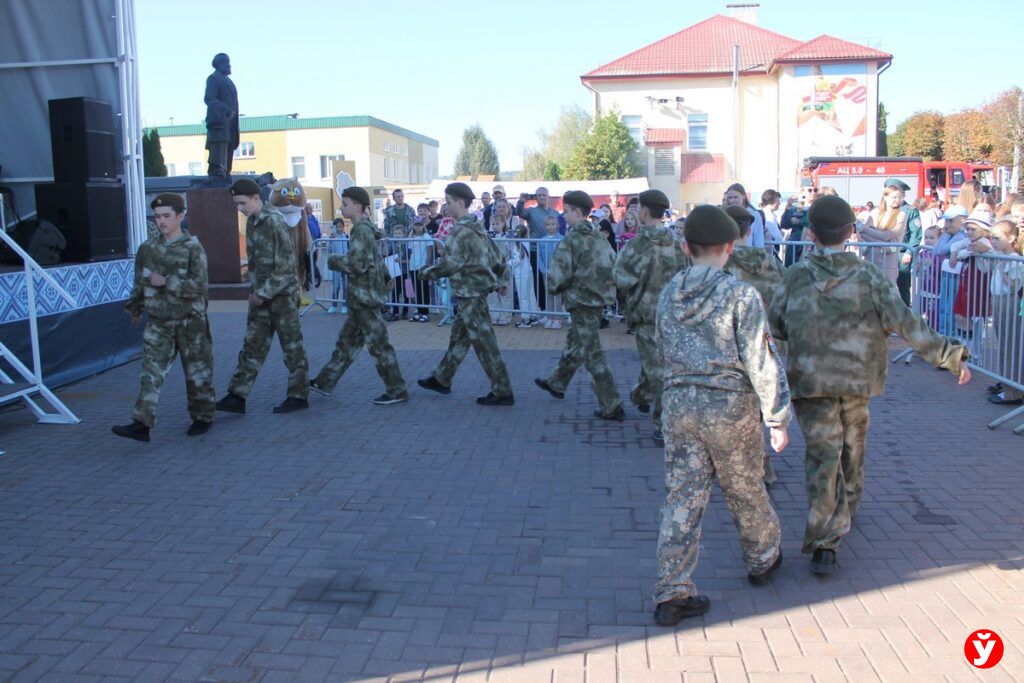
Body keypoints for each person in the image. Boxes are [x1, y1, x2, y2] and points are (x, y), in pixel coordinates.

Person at [769, 195, 971, 577]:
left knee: (822, 456)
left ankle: (826, 535)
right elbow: (905, 322)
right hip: (858, 380)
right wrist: (949, 355)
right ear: (850, 231)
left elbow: (776, 323)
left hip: (811, 380)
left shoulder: (794, 276)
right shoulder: (870, 277)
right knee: (851, 450)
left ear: (810, 234)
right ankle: (841, 516)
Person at [652, 204, 790, 626]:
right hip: (728, 407)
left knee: (682, 497)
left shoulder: (669, 293)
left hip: (679, 405)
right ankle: (763, 557)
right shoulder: (740, 294)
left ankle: (672, 591)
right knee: (744, 486)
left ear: (684, 247)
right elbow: (760, 358)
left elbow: (660, 348)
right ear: (730, 247)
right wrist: (777, 416)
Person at [113, 193, 215, 442]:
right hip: (159, 322)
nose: (161, 221)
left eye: (167, 216)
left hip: (191, 321)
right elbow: (139, 281)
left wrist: (166, 281)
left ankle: (202, 417)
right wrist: (135, 308)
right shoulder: (148, 249)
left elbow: (199, 286)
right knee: (151, 372)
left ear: (180, 216)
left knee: (197, 373)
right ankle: (141, 423)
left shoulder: (193, 248)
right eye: (157, 216)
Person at [216, 179, 310, 415]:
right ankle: (237, 396)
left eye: (243, 203)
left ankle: (298, 396)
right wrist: (255, 290)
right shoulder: (253, 222)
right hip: (261, 297)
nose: (240, 208)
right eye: (237, 204)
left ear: (257, 198)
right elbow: (256, 262)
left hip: (282, 298)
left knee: (292, 348)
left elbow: (286, 267)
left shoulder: (274, 221)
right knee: (252, 346)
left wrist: (263, 292)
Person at [417, 182, 514, 405]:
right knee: (460, 339)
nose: (446, 207)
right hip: (472, 293)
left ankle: (503, 390)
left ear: (460, 203)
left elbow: (449, 265)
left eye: (448, 202)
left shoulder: (460, 231)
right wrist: (502, 279)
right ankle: (442, 378)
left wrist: (425, 273)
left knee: (485, 344)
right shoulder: (478, 228)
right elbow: (498, 257)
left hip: (471, 294)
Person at [310, 186, 408, 405]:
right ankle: (325, 381)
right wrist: (385, 276)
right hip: (361, 297)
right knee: (347, 342)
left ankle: (396, 389)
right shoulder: (366, 229)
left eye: (345, 204)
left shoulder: (361, 230)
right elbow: (375, 259)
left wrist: (333, 261)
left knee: (378, 346)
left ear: (358, 206)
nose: (341, 208)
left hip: (365, 298)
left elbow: (357, 263)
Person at [534, 191, 623, 421]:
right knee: (577, 341)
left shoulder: (572, 238)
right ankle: (558, 382)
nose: (564, 216)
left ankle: (611, 403)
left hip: (580, 300)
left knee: (592, 353)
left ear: (576, 212)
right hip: (596, 300)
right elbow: (613, 264)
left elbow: (561, 271)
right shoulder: (599, 236)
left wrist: (553, 287)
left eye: (566, 211)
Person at [612, 190, 690, 443]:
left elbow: (621, 277)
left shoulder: (638, 244)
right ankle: (641, 395)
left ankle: (663, 422)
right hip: (673, 313)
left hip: (646, 313)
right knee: (657, 360)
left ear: (644, 211)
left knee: (657, 368)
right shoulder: (677, 245)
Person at [722, 205, 786, 486]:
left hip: (735, 343)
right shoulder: (771, 263)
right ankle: (759, 463)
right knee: (762, 401)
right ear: (749, 231)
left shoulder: (723, 265)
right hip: (768, 340)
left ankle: (755, 464)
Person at [979, 220, 1024, 406]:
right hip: (998, 302)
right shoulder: (1001, 257)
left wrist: (1003, 270)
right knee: (1004, 344)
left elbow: (1015, 285)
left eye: (997, 238)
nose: (994, 241)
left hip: (1009, 303)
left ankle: (1013, 391)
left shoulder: (1014, 260)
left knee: (1010, 346)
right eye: (992, 237)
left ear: (1011, 238)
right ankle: (1008, 387)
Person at [516, 187, 560, 312]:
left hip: (552, 251)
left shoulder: (555, 213)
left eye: (544, 195)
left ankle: (554, 310)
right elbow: (519, 212)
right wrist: (521, 201)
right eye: (539, 195)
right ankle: (542, 308)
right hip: (536, 250)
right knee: (539, 280)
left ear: (548, 197)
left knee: (552, 278)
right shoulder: (531, 211)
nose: (541, 197)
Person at [859, 181, 907, 288]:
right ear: (885, 197)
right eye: (894, 197)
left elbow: (887, 235)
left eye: (900, 197)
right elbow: (862, 233)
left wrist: (866, 229)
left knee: (888, 290)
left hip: (889, 260)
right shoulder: (875, 213)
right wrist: (882, 244)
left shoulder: (901, 215)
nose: (897, 200)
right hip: (871, 258)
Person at [934, 206, 970, 334]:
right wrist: (945, 234)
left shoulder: (960, 236)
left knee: (952, 308)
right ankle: (945, 336)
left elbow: (941, 250)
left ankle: (950, 337)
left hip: (958, 277)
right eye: (946, 221)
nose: (947, 224)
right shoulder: (950, 235)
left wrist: (946, 235)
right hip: (949, 275)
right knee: (945, 307)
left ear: (961, 220)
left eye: (950, 221)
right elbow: (936, 250)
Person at [203, 53, 239, 179]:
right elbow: (209, 98)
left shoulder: (228, 81)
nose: (229, 65)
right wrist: (226, 111)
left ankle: (225, 175)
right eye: (227, 62)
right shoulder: (213, 78)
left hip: (231, 125)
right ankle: (218, 175)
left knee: (228, 158)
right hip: (220, 124)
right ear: (220, 64)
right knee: (219, 159)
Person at [537, 215, 564, 329]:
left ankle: (557, 318)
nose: (550, 227)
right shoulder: (542, 240)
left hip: (557, 272)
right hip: (546, 272)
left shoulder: (562, 239)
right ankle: (549, 317)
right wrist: (544, 270)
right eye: (548, 225)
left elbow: (563, 257)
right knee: (548, 294)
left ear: (557, 225)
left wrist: (557, 270)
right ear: (545, 226)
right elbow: (539, 257)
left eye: (553, 224)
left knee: (557, 294)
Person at [510, 225, 540, 328]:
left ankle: (525, 319)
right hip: (529, 271)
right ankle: (533, 315)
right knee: (530, 295)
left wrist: (507, 264)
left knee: (523, 297)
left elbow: (516, 260)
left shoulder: (517, 244)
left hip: (520, 274)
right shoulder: (526, 242)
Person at [407, 219, 434, 322]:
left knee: (424, 289)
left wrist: (427, 264)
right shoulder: (411, 237)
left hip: (422, 266)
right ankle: (418, 310)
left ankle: (425, 312)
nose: (417, 227)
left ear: (423, 226)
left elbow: (429, 252)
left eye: (420, 225)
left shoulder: (426, 236)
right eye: (416, 225)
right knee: (416, 290)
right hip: (413, 265)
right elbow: (410, 251)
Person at [723, 183, 765, 247]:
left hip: (748, 252)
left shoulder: (754, 214)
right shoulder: (726, 213)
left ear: (744, 196)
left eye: (735, 197)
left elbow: (758, 238)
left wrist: (758, 254)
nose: (732, 200)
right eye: (730, 198)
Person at [327, 219, 349, 314]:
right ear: (334, 228)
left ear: (343, 227)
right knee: (336, 286)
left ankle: (344, 304)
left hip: (346, 264)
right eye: (337, 227)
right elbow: (329, 250)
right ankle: (334, 305)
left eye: (340, 226)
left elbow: (350, 249)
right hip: (336, 265)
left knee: (345, 285)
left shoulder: (347, 236)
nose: (339, 228)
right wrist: (332, 240)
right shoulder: (331, 238)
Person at [304, 204, 322, 290]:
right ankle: (306, 282)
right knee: (308, 264)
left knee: (313, 262)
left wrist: (319, 240)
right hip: (308, 245)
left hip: (315, 244)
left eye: (311, 208)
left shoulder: (314, 218)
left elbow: (318, 229)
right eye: (308, 208)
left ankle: (312, 277)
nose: (310, 209)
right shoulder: (304, 218)